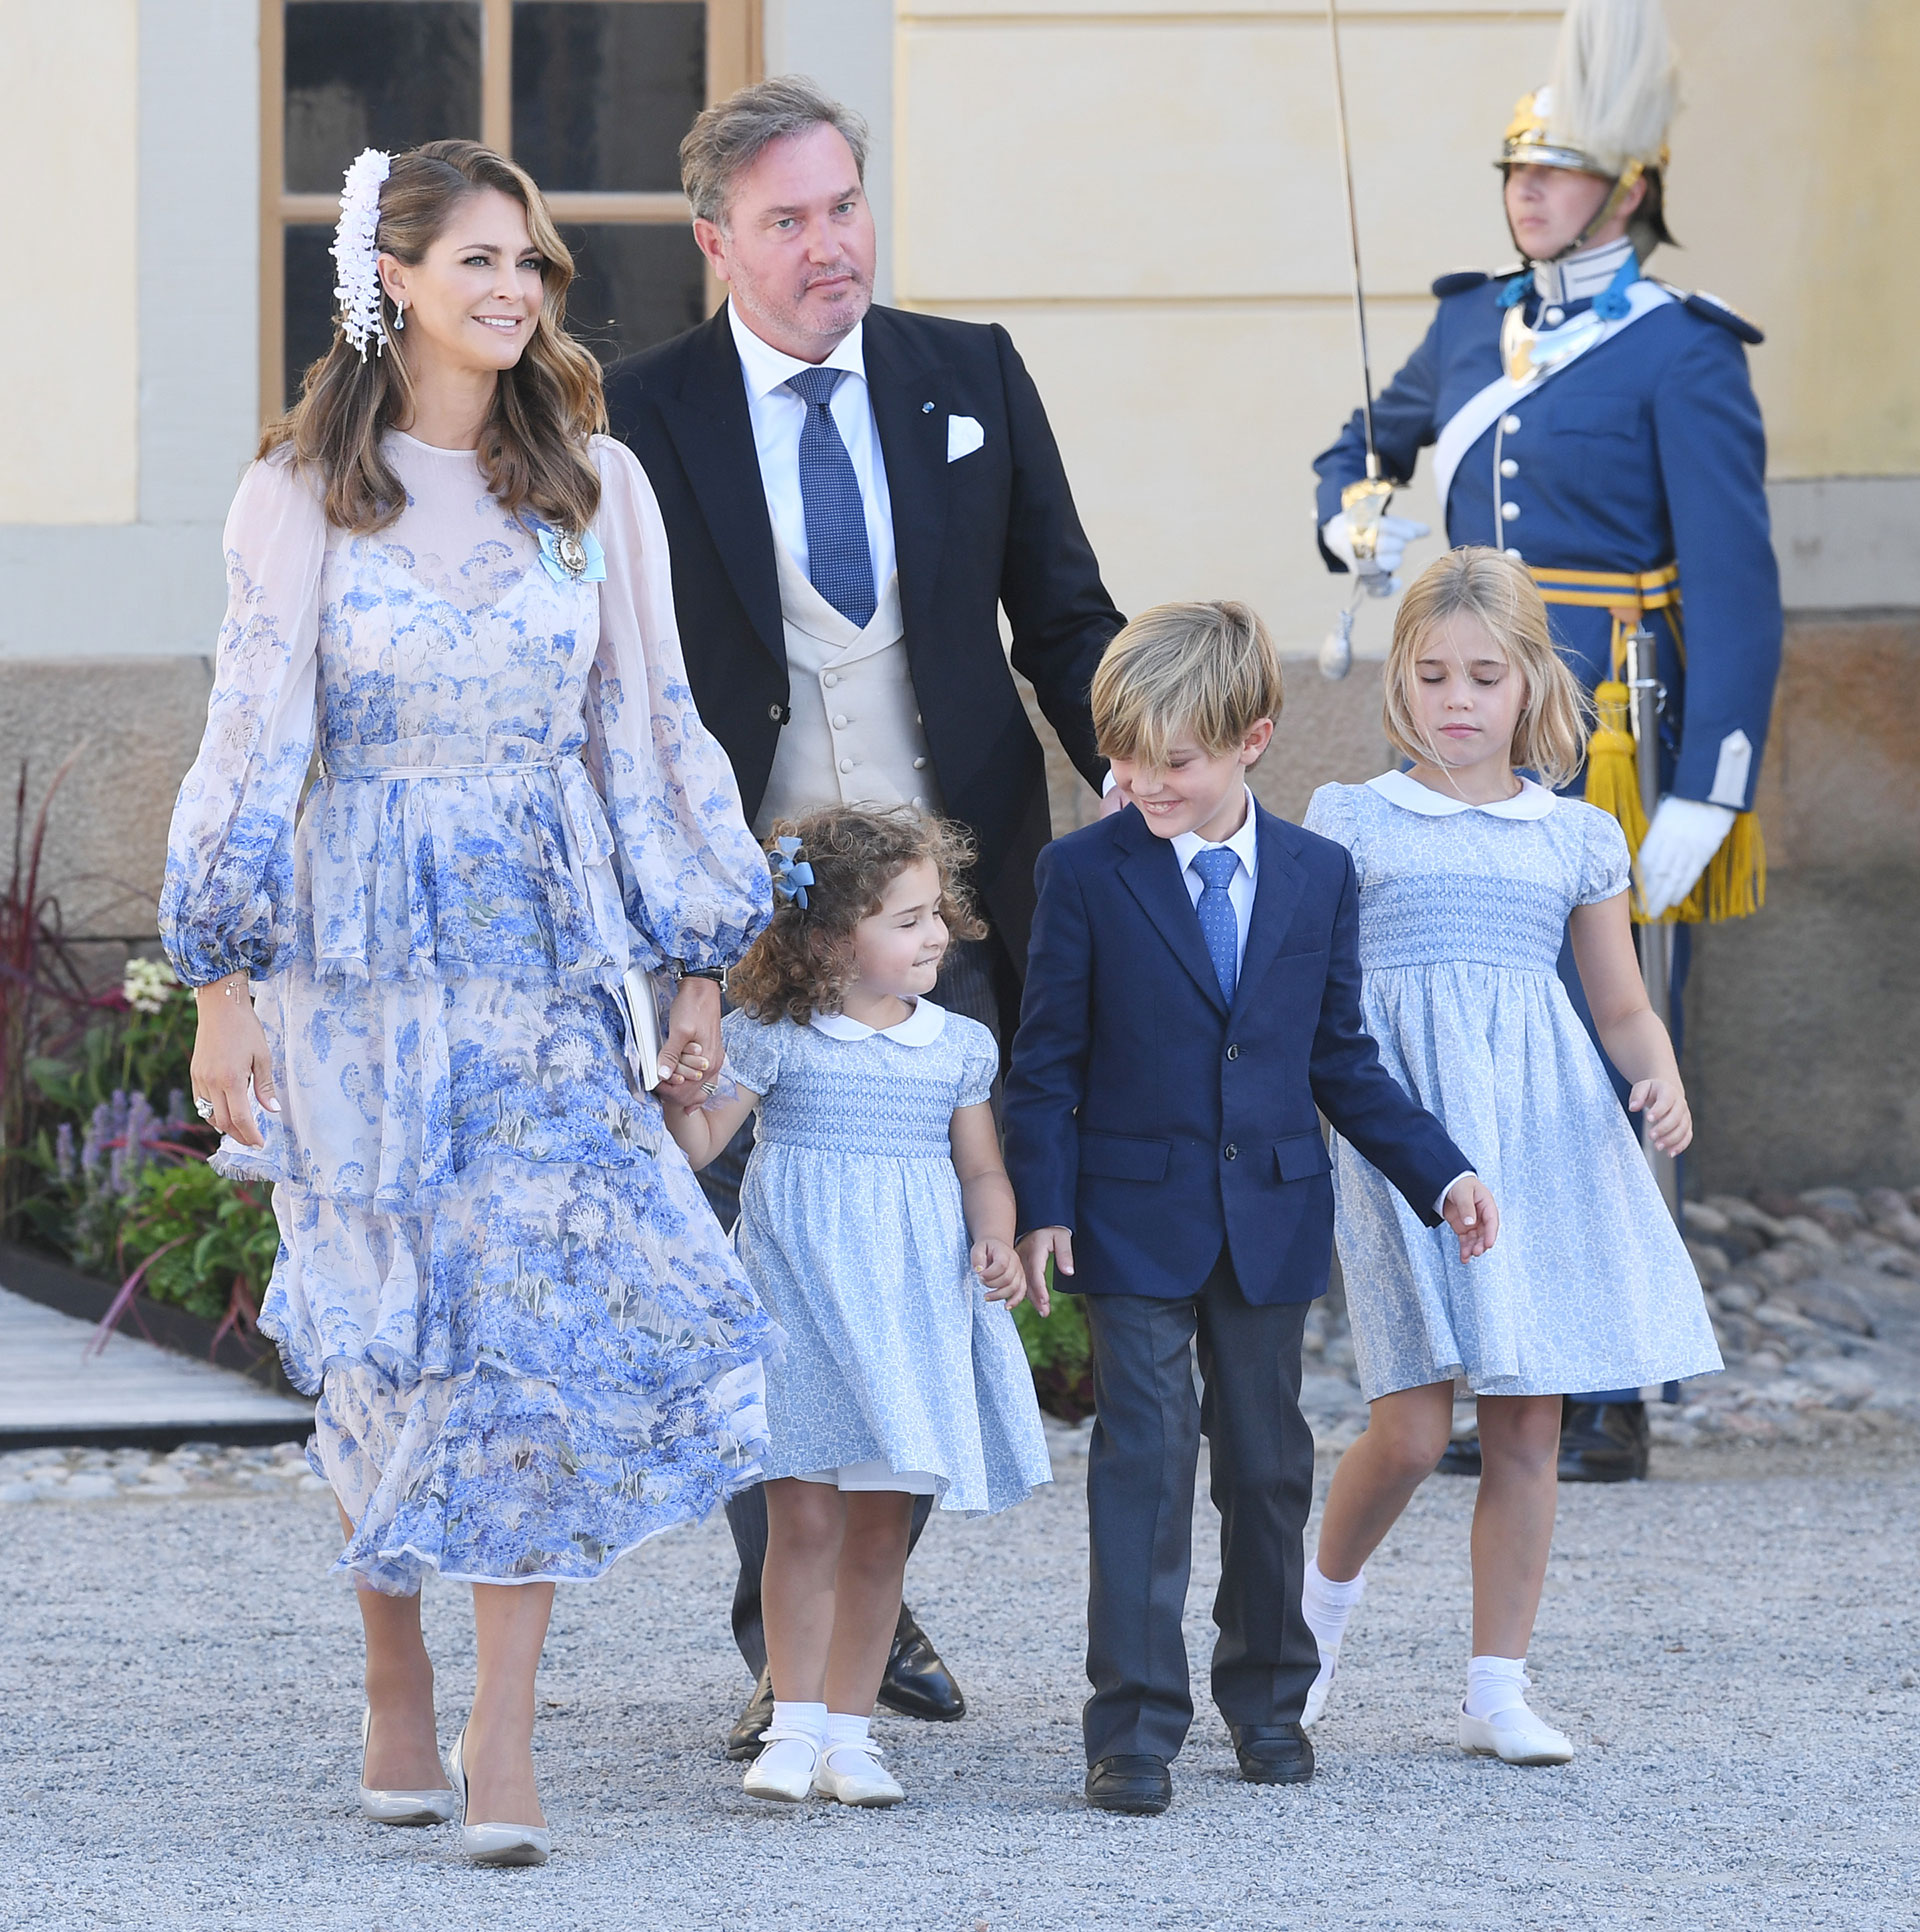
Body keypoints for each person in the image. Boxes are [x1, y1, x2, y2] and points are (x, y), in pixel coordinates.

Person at [159, 141, 776, 1867]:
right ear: (395, 283)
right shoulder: (294, 494)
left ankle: (508, 1737)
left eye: (534, 263)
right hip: (352, 973)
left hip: (539, 964)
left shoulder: (598, 489)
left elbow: (653, 738)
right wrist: (223, 992)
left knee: (526, 1345)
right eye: (479, 259)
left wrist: (698, 963)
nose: (514, 288)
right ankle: (394, 1672)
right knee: (386, 1342)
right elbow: (247, 751)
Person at [604, 75, 1124, 1749]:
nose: (831, 246)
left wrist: (1136, 762)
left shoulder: (964, 375)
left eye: (845, 207)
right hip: (745, 923)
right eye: (788, 221)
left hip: (944, 910)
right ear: (717, 244)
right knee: (769, 1283)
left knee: (906, 1266)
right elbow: (621, 680)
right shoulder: (645, 414)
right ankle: (796, 1641)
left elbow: (1063, 607)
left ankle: (860, 1609)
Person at [1310, 0, 1781, 1480]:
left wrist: (1715, 787)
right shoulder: (1470, 320)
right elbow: (1365, 445)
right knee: (1467, 1050)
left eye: (1559, 172)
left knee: (1607, 1040)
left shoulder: (1686, 351)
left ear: (1629, 185)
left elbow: (1742, 589)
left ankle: (1610, 1386)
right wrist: (1352, 511)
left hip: (1617, 736)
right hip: (1460, 722)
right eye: (1517, 169)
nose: (1528, 195)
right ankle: (1500, 1347)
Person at [1004, 601, 1498, 1817]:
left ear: (1254, 740)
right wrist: (1042, 1208)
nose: (1140, 781)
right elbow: (1046, 1059)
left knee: (1271, 1467)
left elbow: (1341, 1057)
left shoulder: (1323, 875)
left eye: (1173, 760)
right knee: (1147, 1459)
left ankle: (1270, 1699)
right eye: (1124, 755)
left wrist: (1441, 1171)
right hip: (1126, 1217)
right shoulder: (1083, 872)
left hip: (1271, 1215)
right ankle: (1130, 1728)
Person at [1298, 548, 1722, 1762]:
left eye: (1485, 675)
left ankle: (1498, 1689)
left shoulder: (1577, 836)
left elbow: (1622, 1003)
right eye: (1432, 674)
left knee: (1528, 1425)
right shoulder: (1354, 820)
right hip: (1402, 1141)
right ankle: (1311, 1625)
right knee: (1416, 1427)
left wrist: (1660, 1079)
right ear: (1402, 681)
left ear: (1531, 680)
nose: (1458, 699)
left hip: (1544, 1137)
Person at [661, 805, 1051, 1807]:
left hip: (911, 1306)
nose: (939, 935)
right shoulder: (771, 1040)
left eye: (937, 913)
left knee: (883, 1527)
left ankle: (850, 1733)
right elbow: (703, 1149)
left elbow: (981, 1171)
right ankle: (789, 1727)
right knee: (801, 1521)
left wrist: (996, 1238)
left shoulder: (956, 1046)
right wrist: (674, 1089)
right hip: (801, 1301)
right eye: (911, 919)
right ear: (832, 938)